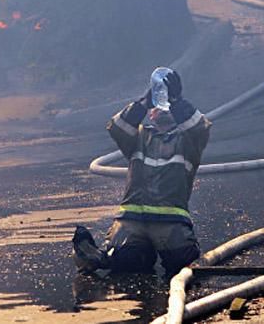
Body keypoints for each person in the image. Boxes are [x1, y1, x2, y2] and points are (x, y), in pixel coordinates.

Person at [73, 69, 211, 276]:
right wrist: (142, 104)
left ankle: (105, 258)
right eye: (156, 107)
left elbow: (200, 127)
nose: (162, 109)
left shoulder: (188, 141)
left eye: (168, 106)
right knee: (126, 262)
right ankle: (97, 257)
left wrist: (178, 102)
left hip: (171, 223)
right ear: (150, 115)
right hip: (132, 221)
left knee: (183, 264)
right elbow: (117, 127)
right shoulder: (137, 138)